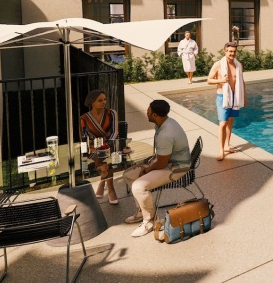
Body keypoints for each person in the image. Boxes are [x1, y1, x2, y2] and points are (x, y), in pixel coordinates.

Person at [123, 100, 191, 237]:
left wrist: (147, 169)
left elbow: (161, 163)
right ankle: (142, 210)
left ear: (154, 114)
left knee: (138, 186)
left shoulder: (166, 133)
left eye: (148, 111)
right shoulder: (163, 122)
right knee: (129, 175)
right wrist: (147, 165)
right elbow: (160, 159)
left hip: (177, 168)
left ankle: (149, 221)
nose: (146, 113)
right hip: (168, 161)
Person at [80, 89, 119, 204]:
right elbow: (84, 136)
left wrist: (107, 143)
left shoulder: (112, 113)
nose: (104, 102)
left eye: (105, 100)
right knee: (102, 156)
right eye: (100, 100)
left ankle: (104, 184)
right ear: (92, 102)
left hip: (110, 143)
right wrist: (97, 145)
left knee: (107, 153)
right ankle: (110, 189)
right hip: (93, 147)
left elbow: (115, 132)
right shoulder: (84, 118)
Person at [209, 42, 246, 160]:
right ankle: (221, 150)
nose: (232, 53)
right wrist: (221, 80)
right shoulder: (218, 65)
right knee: (223, 123)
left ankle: (226, 145)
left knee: (230, 122)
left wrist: (244, 97)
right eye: (230, 51)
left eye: (234, 51)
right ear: (225, 51)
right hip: (222, 97)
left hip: (235, 96)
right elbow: (209, 80)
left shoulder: (238, 65)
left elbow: (242, 81)